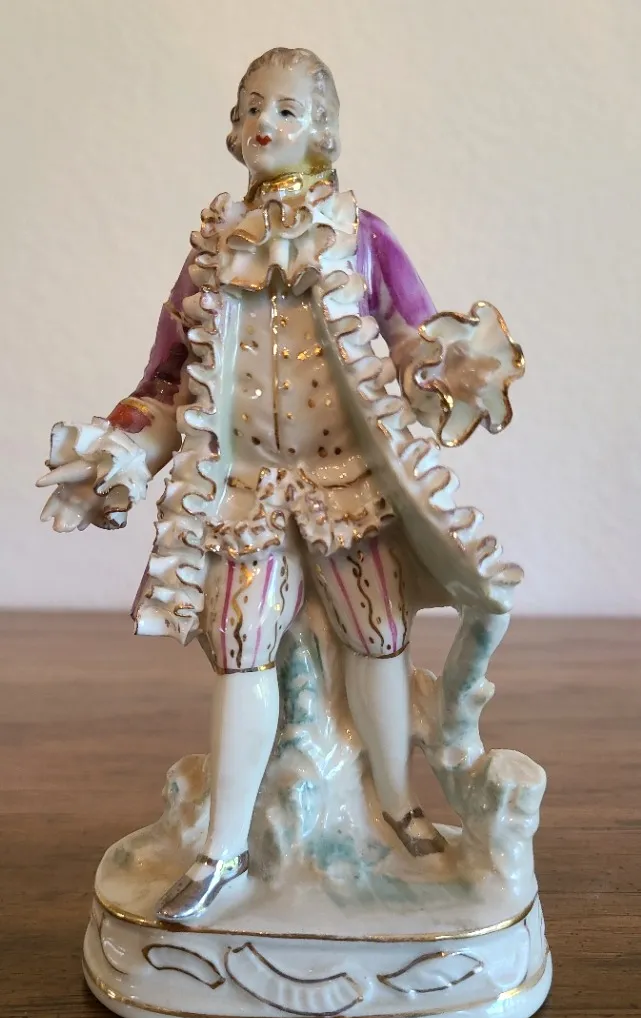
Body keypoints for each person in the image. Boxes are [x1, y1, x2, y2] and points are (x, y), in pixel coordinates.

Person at [39, 47, 520, 922]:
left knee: (378, 637)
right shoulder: (211, 253)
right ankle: (222, 849)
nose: (266, 121)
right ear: (235, 128)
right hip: (246, 493)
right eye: (253, 106)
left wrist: (445, 369)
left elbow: (410, 335)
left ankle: (398, 807)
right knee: (240, 650)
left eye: (288, 109)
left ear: (321, 129)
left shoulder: (359, 237)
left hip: (344, 484)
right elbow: (168, 382)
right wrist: (121, 450)